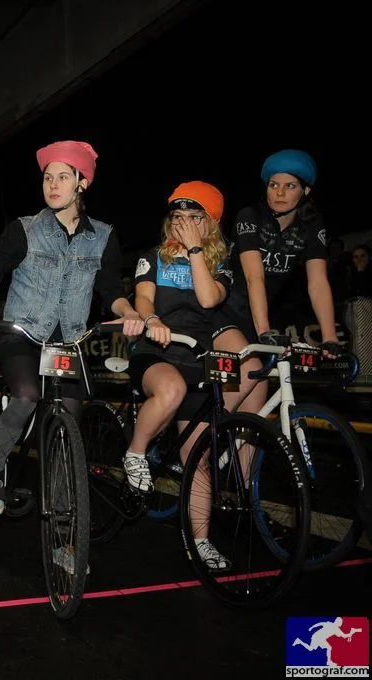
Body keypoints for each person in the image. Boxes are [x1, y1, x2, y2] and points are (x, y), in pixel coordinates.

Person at [0, 140, 142, 572]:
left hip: (69, 345)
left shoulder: (104, 236)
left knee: (67, 438)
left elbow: (111, 291)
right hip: (24, 336)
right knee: (26, 395)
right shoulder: (24, 229)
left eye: (63, 176)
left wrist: (129, 312)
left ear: (83, 183)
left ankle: (65, 540)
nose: (53, 184)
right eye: (48, 177)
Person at [126, 182, 233, 570]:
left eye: (193, 217)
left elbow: (209, 299)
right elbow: (143, 297)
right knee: (170, 390)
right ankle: (136, 452)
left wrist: (195, 252)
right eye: (177, 217)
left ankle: (201, 542)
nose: (182, 223)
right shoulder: (152, 256)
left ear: (209, 224)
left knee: (198, 463)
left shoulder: (221, 263)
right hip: (156, 351)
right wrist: (152, 319)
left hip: (197, 358)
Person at [213, 149, 342, 413]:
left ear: (305, 191)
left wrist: (330, 337)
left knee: (257, 396)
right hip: (223, 311)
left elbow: (318, 282)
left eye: (289, 186)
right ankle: (207, 433)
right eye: (274, 185)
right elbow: (255, 277)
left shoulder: (311, 225)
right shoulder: (250, 217)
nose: (279, 193)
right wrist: (264, 332)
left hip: (255, 317)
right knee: (251, 371)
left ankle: (236, 438)